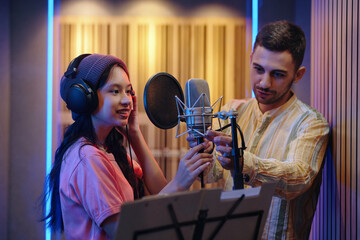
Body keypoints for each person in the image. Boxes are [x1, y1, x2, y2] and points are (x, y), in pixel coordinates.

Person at [42, 53, 213, 239]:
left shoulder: (107, 151)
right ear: (86, 98)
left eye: (129, 91)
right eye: (115, 91)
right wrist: (179, 182)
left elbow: (159, 191)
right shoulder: (88, 159)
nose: (127, 101)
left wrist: (135, 135)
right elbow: (125, 232)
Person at [187, 20, 329, 239]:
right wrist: (201, 152)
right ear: (251, 58)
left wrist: (243, 163)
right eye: (258, 69)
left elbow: (298, 179)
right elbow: (213, 172)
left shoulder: (310, 122)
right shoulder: (232, 110)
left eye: (278, 74)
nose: (264, 83)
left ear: (298, 74)